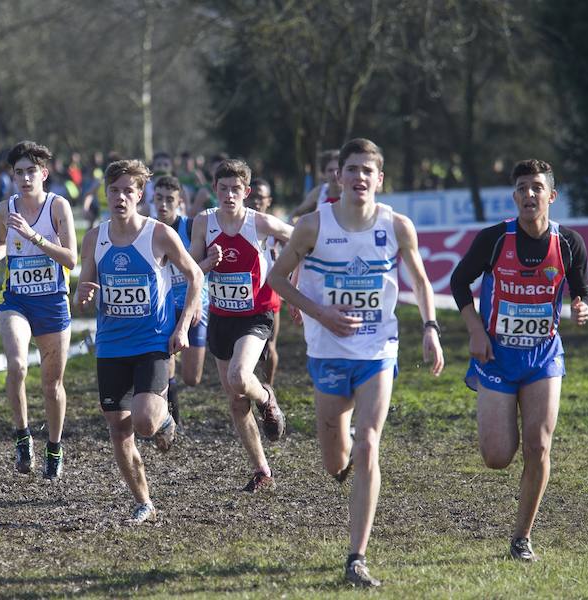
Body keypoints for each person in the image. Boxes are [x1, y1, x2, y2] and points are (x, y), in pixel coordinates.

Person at [268, 138, 444, 588]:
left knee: (368, 443)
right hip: (326, 352)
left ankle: (356, 557)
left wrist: (429, 328)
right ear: (338, 177)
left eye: (369, 170)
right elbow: (275, 280)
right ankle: (342, 446)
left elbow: (421, 282)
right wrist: (320, 311)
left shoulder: (397, 226)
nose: (360, 177)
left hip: (377, 351)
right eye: (353, 169)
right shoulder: (311, 226)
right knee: (334, 462)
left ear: (379, 179)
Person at [449, 158, 588, 563]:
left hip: (544, 357)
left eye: (536, 187)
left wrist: (583, 307)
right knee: (497, 457)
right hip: (496, 356)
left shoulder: (568, 243)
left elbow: (582, 288)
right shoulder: (494, 239)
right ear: (514, 196)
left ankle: (522, 537)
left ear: (551, 196)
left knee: (539, 446)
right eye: (522, 188)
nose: (529, 194)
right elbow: (459, 282)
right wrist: (475, 330)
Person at [75, 159, 203, 524]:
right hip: (112, 345)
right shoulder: (94, 238)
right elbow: (82, 292)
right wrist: (82, 295)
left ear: (140, 194)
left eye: (128, 190)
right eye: (113, 190)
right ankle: (143, 501)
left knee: (144, 422)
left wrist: (182, 326)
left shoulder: (158, 234)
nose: (120, 197)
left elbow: (195, 276)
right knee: (118, 427)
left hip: (152, 341)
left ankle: (162, 421)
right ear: (106, 194)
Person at [0, 141, 78, 479]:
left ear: (44, 173)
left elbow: (72, 260)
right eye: (18, 172)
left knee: (52, 386)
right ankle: (22, 436)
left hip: (53, 302)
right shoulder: (4, 209)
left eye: (31, 171)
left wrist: (35, 237)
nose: (24, 177)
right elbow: (5, 241)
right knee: (17, 364)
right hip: (16, 299)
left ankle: (54, 446)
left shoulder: (58, 207)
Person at [189, 158, 292, 492]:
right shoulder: (203, 223)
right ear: (215, 190)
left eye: (236, 189)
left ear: (246, 192)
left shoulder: (258, 223)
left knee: (239, 377)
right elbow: (192, 270)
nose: (229, 195)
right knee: (235, 400)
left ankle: (267, 399)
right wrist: (208, 262)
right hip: (221, 317)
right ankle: (262, 470)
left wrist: (293, 275)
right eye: (223, 189)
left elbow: (297, 238)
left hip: (255, 315)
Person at [152, 175, 209, 428]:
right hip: (165, 308)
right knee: (167, 367)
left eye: (169, 199)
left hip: (194, 305)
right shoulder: (148, 230)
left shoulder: (190, 227)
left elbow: (201, 270)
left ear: (180, 201)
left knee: (193, 378)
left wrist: (196, 301)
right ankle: (171, 419)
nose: (163, 204)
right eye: (159, 198)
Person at [244, 178, 282, 386]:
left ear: (269, 201)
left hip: (269, 293)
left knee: (270, 346)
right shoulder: (236, 224)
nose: (256, 202)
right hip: (242, 296)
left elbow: (297, 251)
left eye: (261, 198)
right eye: (253, 197)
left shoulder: (274, 227)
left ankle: (268, 387)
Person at [290, 149, 341, 220]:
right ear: (323, 174)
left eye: (338, 170)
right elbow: (296, 212)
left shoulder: (351, 193)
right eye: (330, 170)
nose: (335, 174)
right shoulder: (320, 192)